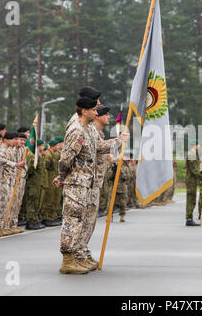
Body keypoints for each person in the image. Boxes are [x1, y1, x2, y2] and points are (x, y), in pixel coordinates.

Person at [54, 97, 127, 274]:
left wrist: (117, 141)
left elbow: (97, 147)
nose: (97, 113)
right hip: (76, 183)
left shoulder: (87, 128)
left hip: (85, 183)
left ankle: (78, 254)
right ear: (85, 110)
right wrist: (61, 176)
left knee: (81, 221)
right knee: (73, 221)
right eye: (95, 109)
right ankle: (68, 260)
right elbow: (66, 157)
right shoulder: (77, 129)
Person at [185, 140, 202, 226]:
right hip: (191, 180)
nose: (199, 146)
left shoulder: (193, 154)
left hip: (193, 180)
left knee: (192, 200)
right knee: (191, 200)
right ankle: (189, 219)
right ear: (195, 145)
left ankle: (190, 218)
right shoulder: (191, 154)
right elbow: (194, 170)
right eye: (198, 145)